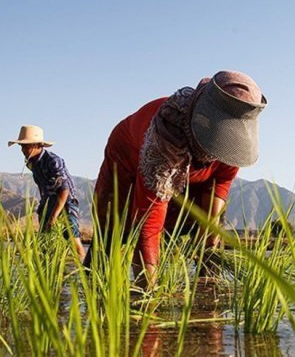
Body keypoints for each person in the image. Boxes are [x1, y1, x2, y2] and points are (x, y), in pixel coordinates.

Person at [84, 70, 267, 286]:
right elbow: (148, 223)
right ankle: (92, 288)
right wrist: (148, 294)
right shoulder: (165, 136)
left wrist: (208, 242)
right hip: (128, 159)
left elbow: (216, 198)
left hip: (194, 180)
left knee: (210, 237)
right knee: (112, 230)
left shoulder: (232, 143)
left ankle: (207, 293)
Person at [8, 125, 85, 259]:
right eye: (22, 146)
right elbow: (41, 184)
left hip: (65, 202)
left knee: (72, 239)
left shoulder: (53, 161)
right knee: (44, 240)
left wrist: (54, 216)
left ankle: (83, 271)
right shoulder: (31, 163)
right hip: (48, 201)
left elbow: (64, 190)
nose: (23, 150)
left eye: (26, 146)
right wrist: (44, 206)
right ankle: (47, 271)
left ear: (38, 145)